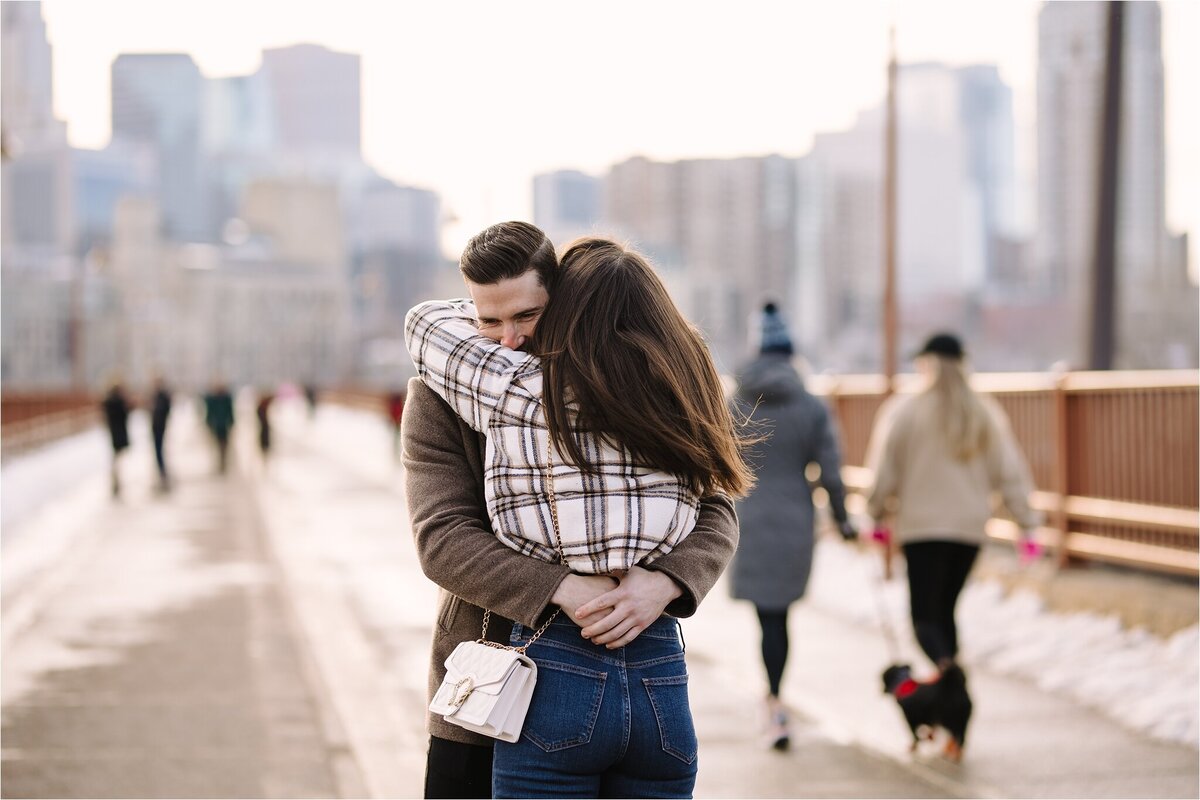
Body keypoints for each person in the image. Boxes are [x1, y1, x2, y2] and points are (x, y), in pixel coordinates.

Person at [402, 222, 741, 799]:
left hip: (634, 665)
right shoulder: (440, 393)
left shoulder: (633, 388)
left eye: (527, 317)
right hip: (486, 677)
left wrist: (664, 582)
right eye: (489, 320)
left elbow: (716, 503)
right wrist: (562, 587)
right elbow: (442, 539)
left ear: (563, 304)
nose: (506, 339)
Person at [866, 332, 1042, 672]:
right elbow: (1010, 473)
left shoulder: (906, 410)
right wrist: (1028, 524)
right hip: (969, 530)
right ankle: (951, 692)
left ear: (926, 363)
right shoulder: (985, 413)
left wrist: (873, 514)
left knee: (924, 619)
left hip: (922, 530)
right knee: (946, 611)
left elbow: (885, 471)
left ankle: (950, 679)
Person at [729, 302, 856, 752]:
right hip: (795, 520)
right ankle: (777, 698)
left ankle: (773, 704)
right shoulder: (810, 405)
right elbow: (831, 471)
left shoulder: (735, 402)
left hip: (748, 518)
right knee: (781, 617)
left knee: (767, 619)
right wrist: (843, 519)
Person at [101, 379, 131, 498]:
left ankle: (116, 483)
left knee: (116, 460)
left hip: (114, 434)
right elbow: (125, 413)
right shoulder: (116, 401)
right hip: (118, 434)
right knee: (116, 461)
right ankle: (116, 483)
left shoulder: (109, 401)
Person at [203, 382, 235, 475]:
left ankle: (223, 461)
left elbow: (230, 411)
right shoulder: (213, 399)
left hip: (224, 425)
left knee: (224, 444)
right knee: (218, 444)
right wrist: (209, 422)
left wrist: (231, 422)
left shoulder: (226, 399)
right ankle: (220, 462)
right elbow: (209, 412)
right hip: (217, 425)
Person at [149, 376, 172, 492]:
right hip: (155, 427)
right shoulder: (155, 395)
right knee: (157, 451)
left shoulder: (162, 396)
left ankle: (162, 472)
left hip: (160, 427)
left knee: (160, 450)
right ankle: (160, 471)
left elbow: (166, 410)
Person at [256, 390, 274, 464]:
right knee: (264, 442)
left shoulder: (263, 406)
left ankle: (265, 453)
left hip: (264, 427)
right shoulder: (262, 407)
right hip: (263, 427)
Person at [386, 389, 405, 457]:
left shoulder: (395, 403)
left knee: (397, 437)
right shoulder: (398, 403)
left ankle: (396, 451)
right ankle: (396, 452)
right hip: (397, 422)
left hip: (397, 422)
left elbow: (393, 412)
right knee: (397, 437)